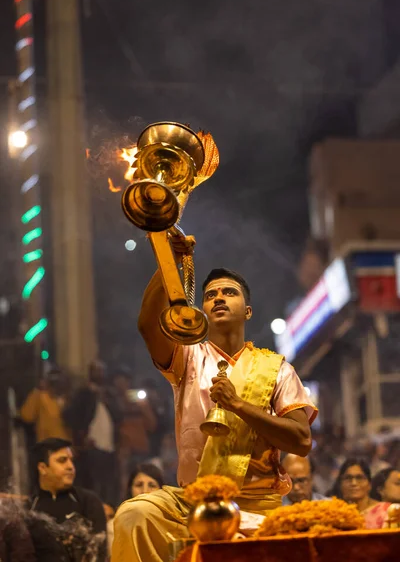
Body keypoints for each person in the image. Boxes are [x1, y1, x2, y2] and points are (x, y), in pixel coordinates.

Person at [113, 235, 317, 562]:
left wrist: (238, 405)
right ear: (203, 309)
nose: (219, 298)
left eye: (229, 292)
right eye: (210, 295)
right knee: (134, 515)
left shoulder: (277, 370)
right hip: (194, 501)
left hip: (255, 505)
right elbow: (148, 325)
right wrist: (172, 265)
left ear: (247, 311)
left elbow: (302, 441)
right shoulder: (187, 357)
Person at [27, 438, 107, 561]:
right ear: (43, 468)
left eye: (71, 460)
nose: (70, 466)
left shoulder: (87, 501)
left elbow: (100, 552)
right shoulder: (29, 508)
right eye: (62, 460)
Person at [63, 360, 120, 505]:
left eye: (101, 371)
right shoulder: (83, 394)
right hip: (91, 447)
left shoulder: (109, 394)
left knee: (107, 485)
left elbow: (118, 416)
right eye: (96, 371)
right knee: (91, 485)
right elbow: (72, 416)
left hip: (109, 447)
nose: (99, 374)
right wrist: (81, 437)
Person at [111, 367, 157, 498]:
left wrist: (143, 407)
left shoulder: (140, 403)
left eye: (124, 381)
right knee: (124, 481)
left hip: (139, 447)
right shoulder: (114, 401)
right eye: (118, 381)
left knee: (141, 478)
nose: (121, 384)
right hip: (123, 448)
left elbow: (152, 425)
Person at [20, 368, 71, 442]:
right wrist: (37, 391)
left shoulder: (69, 400)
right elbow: (26, 416)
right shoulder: (41, 397)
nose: (56, 386)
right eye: (53, 383)